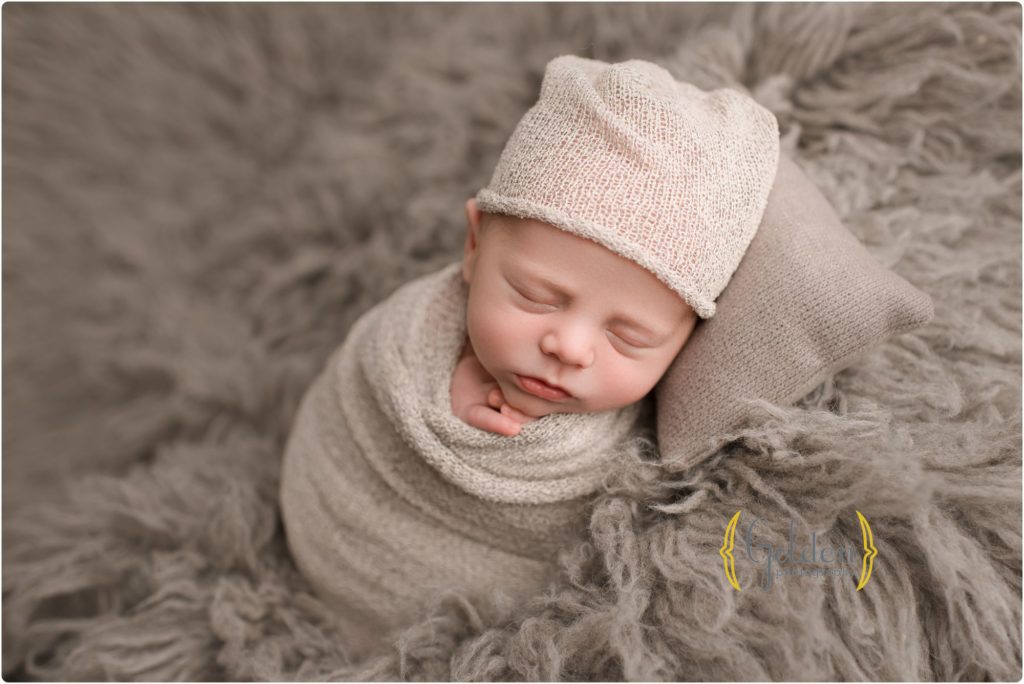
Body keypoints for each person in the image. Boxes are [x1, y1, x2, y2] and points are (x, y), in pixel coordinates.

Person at [279, 54, 780, 657]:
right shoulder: (407, 342)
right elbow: (357, 407)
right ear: (472, 246)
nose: (568, 347)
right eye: (535, 296)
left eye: (630, 337)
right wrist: (448, 401)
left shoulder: (666, 440)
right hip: (336, 550)